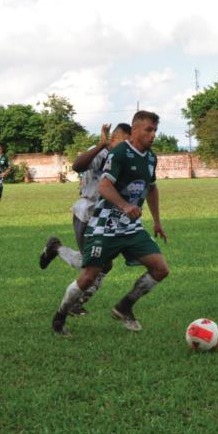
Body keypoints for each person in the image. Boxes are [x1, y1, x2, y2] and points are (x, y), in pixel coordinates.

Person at [51, 110, 169, 336]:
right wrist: (125, 206)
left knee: (160, 269)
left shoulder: (151, 157)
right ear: (135, 130)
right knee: (88, 276)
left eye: (155, 130)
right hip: (105, 225)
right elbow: (104, 186)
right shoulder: (120, 154)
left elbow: (151, 188)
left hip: (131, 226)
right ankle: (60, 316)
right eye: (148, 130)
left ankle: (124, 307)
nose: (153, 135)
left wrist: (157, 221)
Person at [39, 123, 132, 315]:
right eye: (125, 142)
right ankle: (56, 250)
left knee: (101, 263)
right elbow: (78, 166)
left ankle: (56, 251)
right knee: (93, 264)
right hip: (88, 213)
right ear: (113, 139)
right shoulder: (100, 152)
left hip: (108, 216)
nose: (128, 146)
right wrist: (100, 145)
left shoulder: (124, 158)